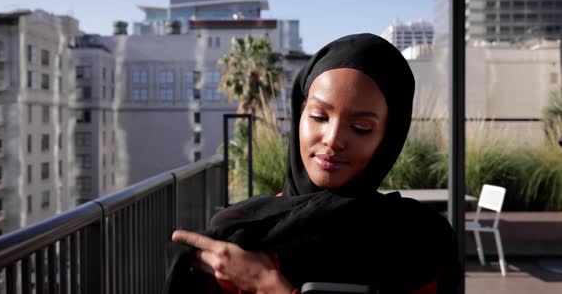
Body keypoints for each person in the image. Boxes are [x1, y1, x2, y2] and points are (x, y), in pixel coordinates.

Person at [164, 33, 461, 293]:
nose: (332, 139)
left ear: (388, 138)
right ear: (300, 114)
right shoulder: (240, 237)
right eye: (319, 116)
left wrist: (269, 287)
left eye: (360, 127)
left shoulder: (420, 243)